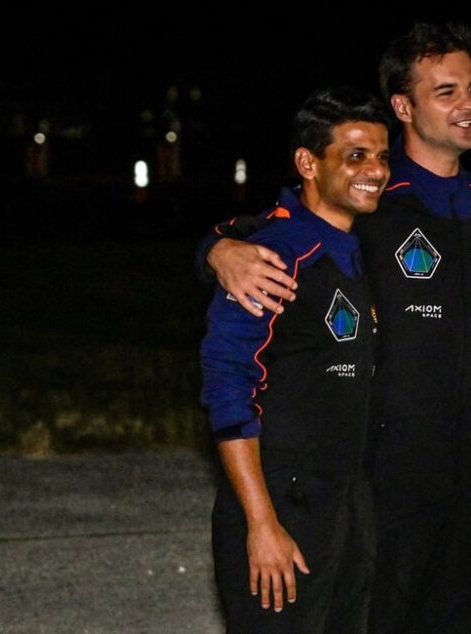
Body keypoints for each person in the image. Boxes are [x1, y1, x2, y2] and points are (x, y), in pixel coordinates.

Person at [200, 22, 471, 634]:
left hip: (468, 467)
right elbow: (259, 236)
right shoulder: (364, 198)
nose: (467, 104)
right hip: (382, 467)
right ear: (404, 105)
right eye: (445, 91)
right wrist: (217, 249)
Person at [199, 85, 391, 633]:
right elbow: (227, 388)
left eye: (381, 155)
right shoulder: (272, 256)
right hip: (281, 502)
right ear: (308, 162)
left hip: (345, 503)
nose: (374, 169)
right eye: (355, 155)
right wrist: (261, 524)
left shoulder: (356, 246)